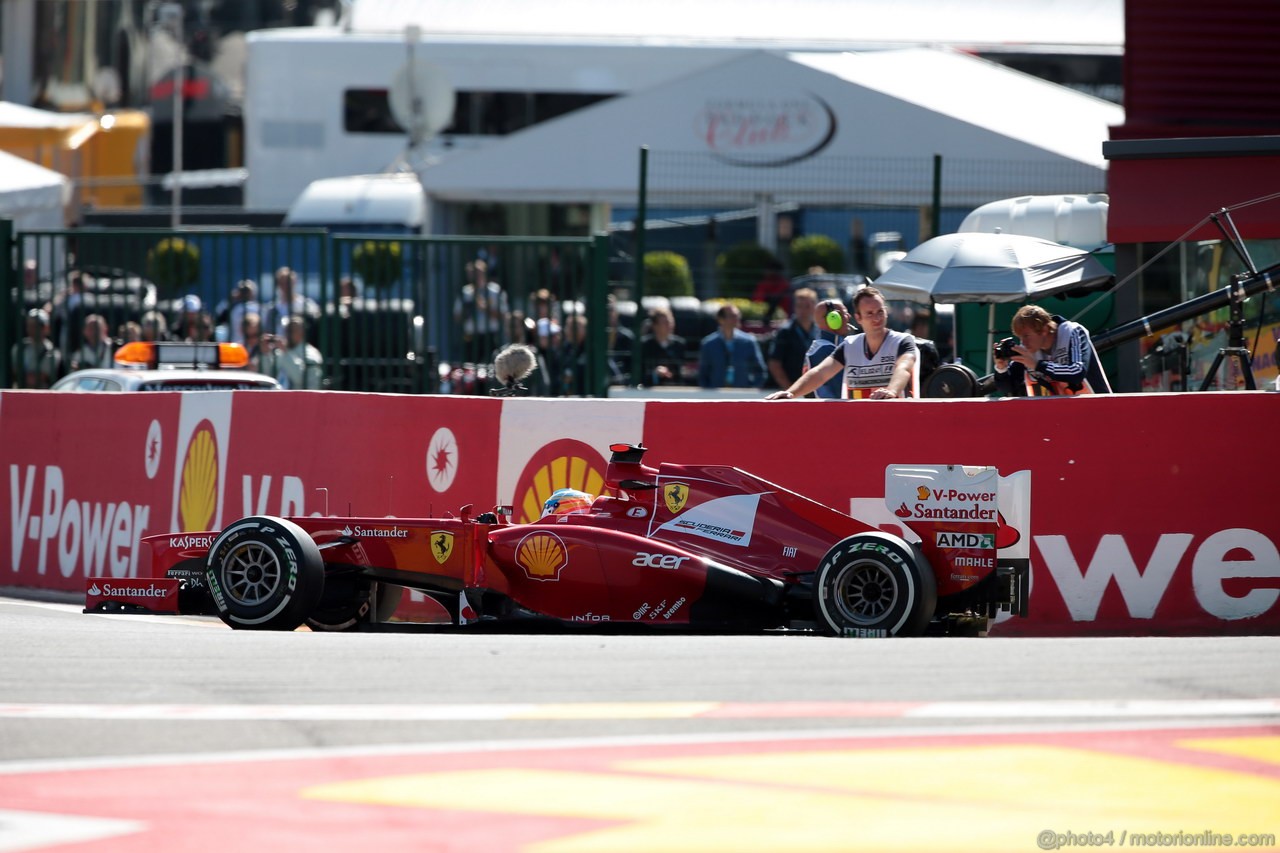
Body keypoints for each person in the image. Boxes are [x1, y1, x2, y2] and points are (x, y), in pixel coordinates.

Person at [767, 286, 917, 400]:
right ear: (858, 318)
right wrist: (791, 393)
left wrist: (891, 390)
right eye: (869, 313)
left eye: (880, 312)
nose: (876, 318)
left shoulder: (903, 341)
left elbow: (903, 368)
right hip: (857, 424)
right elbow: (820, 373)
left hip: (893, 420)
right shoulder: (849, 345)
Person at [993, 304, 1112, 396]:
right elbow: (1007, 389)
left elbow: (1077, 372)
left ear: (1044, 330)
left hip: (1096, 410)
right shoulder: (1028, 348)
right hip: (1058, 417)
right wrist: (1001, 368)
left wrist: (1037, 365)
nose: (1023, 342)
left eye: (1027, 336)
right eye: (1020, 337)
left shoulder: (1072, 331)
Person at [697, 303, 766, 389]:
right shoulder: (708, 344)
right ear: (720, 319)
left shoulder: (748, 342)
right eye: (732, 316)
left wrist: (752, 390)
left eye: (737, 315)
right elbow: (703, 374)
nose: (736, 319)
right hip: (716, 395)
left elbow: (760, 370)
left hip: (742, 394)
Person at [766, 287, 819, 390]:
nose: (803, 310)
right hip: (788, 390)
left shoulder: (820, 331)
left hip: (813, 390)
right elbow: (774, 364)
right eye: (799, 306)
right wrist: (791, 391)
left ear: (815, 307)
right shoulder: (784, 332)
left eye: (807, 306)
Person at [805, 298, 855, 399]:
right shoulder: (827, 350)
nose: (849, 316)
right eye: (845, 313)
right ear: (833, 319)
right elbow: (841, 394)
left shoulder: (821, 346)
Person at [255, 315, 324, 389]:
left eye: (292, 330)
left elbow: (299, 378)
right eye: (286, 330)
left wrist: (286, 352)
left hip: (303, 398)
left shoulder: (311, 353)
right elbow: (267, 375)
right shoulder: (280, 352)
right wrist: (265, 354)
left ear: (302, 333)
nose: (288, 334)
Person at [11, 308, 62, 388]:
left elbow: (36, 379)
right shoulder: (19, 347)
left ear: (46, 328)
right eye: (29, 325)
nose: (31, 329)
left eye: (36, 325)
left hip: (40, 395)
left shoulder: (52, 352)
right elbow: (14, 373)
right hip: (18, 392)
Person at [262, 266, 320, 335]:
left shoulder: (307, 305)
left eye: (288, 282)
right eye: (282, 283)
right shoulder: (272, 310)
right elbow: (268, 332)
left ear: (294, 282)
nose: (286, 286)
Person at [639, 305, 688, 386]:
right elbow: (640, 374)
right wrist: (654, 374)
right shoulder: (644, 345)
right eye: (665, 323)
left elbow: (681, 371)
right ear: (655, 326)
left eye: (670, 322)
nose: (669, 325)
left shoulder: (679, 344)